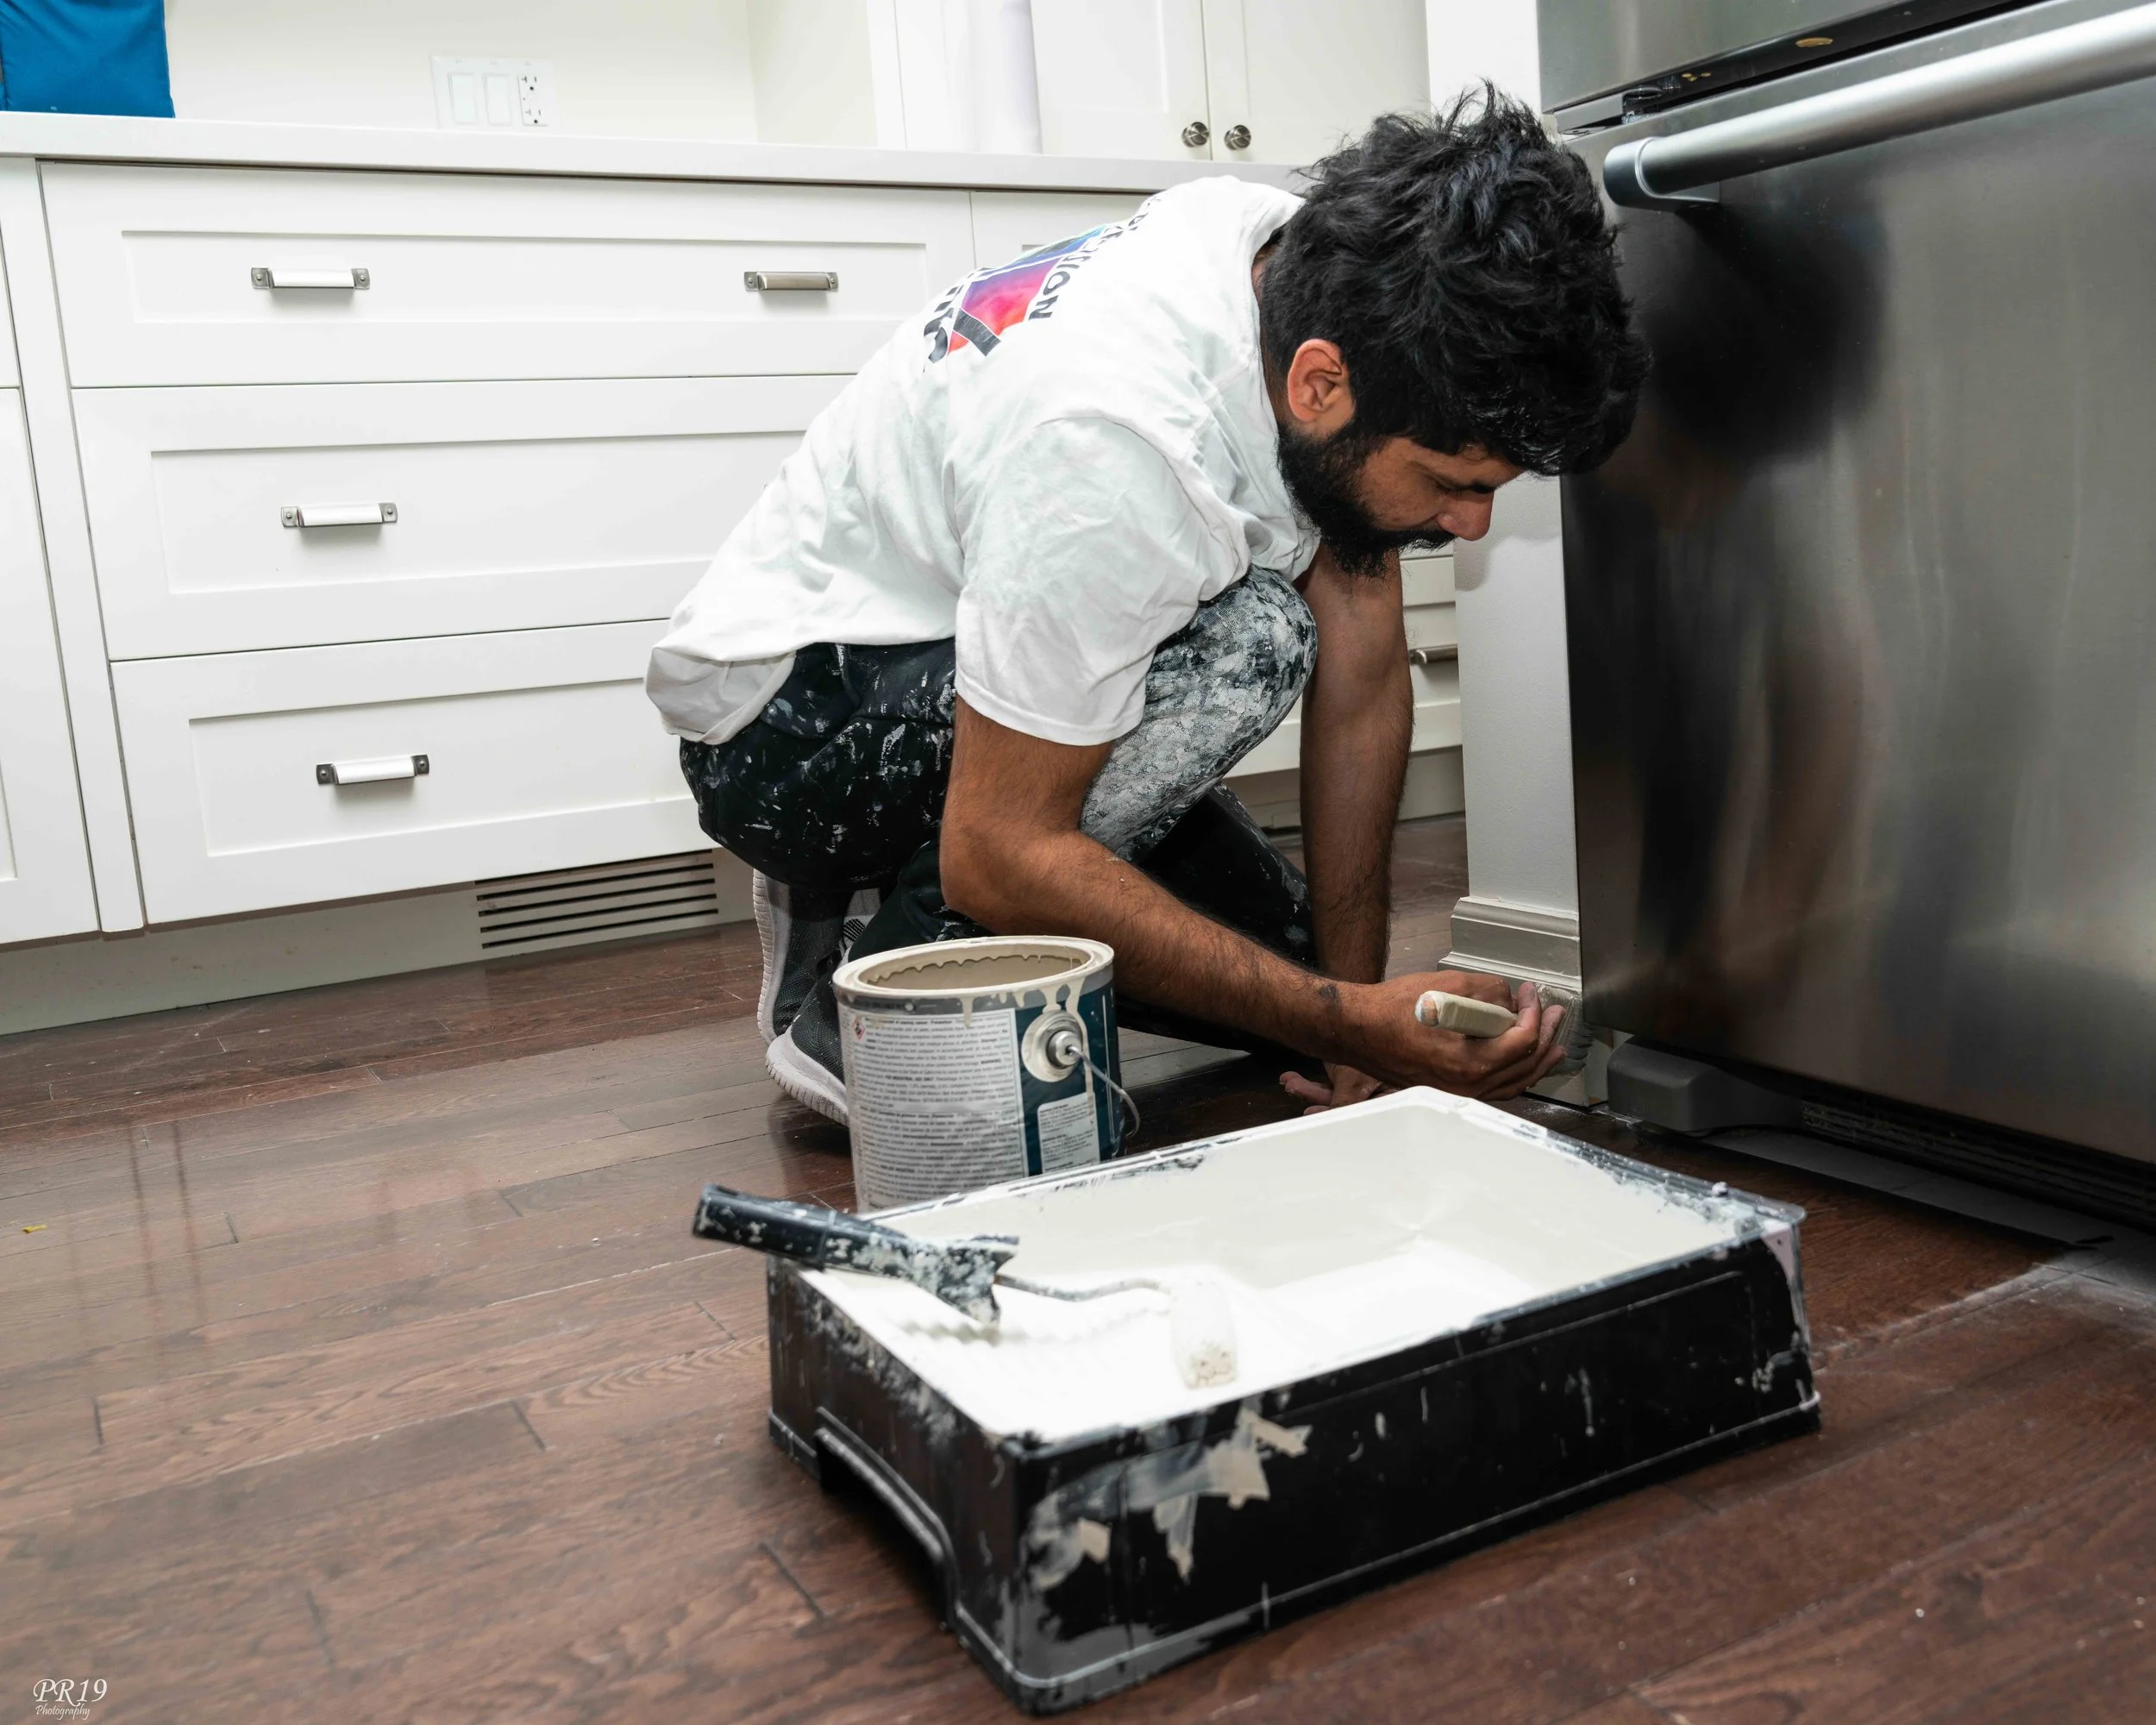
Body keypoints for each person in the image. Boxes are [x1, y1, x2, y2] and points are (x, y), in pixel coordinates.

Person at [646, 88, 1650, 1124]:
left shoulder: (1298, 268)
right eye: (1452, 482)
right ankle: (865, 1009)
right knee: (1254, 640)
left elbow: (1360, 675)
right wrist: (1354, 1021)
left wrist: (1347, 1024)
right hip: (789, 728)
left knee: (1289, 973)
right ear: (1320, 387)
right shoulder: (1115, 447)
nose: (1473, 525)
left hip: (970, 649)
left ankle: (881, 898)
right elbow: (1000, 849)